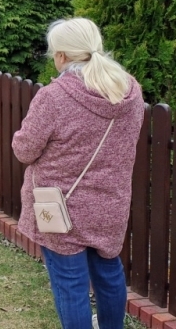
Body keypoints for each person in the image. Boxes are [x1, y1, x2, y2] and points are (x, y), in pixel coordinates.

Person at [12, 18, 144, 329]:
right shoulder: (130, 90)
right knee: (109, 274)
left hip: (62, 208)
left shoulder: (54, 97)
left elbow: (24, 151)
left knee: (71, 284)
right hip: (110, 204)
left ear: (61, 56)